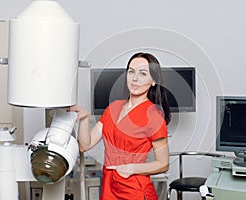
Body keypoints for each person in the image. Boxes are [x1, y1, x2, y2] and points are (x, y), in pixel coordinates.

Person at [69, 52, 171, 200]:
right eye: (131, 72)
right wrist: (84, 119)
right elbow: (85, 145)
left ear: (153, 81)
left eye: (142, 73)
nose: (135, 78)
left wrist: (131, 168)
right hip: (109, 188)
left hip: (135, 190)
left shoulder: (154, 117)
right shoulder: (113, 108)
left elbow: (163, 164)